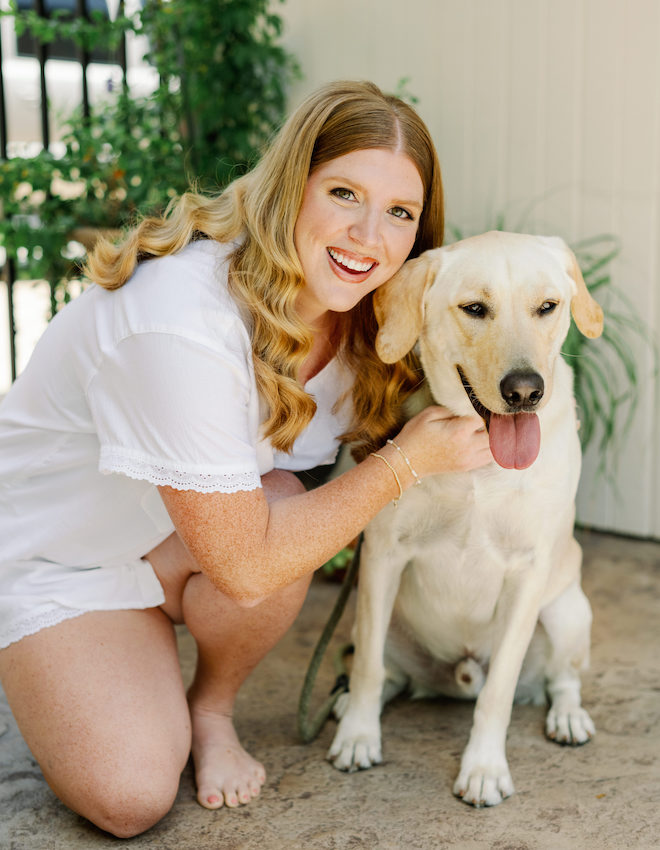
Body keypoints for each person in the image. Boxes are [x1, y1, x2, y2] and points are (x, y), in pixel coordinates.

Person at [0, 80, 491, 838]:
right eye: (344, 193)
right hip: (56, 558)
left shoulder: (361, 318)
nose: (369, 235)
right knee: (130, 797)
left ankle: (208, 707)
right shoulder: (181, 319)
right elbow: (247, 569)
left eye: (399, 212)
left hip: (164, 542)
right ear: (293, 184)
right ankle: (75, 661)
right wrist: (404, 464)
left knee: (288, 503)